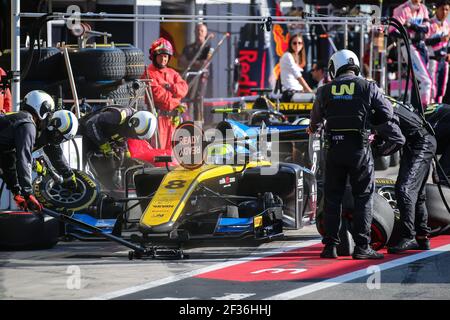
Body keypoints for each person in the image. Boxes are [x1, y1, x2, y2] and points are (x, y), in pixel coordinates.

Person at [309, 49, 405, 260]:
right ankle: (362, 246)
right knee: (363, 197)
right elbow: (387, 113)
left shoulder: (324, 90)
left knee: (333, 198)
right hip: (359, 150)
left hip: (333, 150)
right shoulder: (368, 86)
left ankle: (330, 247)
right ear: (355, 66)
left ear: (335, 67)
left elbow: (314, 121)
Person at [374, 98, 436, 253]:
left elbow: (397, 140)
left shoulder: (376, 107)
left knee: (404, 190)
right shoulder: (379, 99)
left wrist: (377, 152)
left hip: (421, 143)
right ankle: (422, 237)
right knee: (417, 194)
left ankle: (408, 237)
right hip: (418, 141)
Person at [0, 90, 78, 212]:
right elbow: (23, 159)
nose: (48, 118)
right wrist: (28, 193)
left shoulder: (22, 121)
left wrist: (16, 191)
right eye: (48, 114)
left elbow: (8, 157)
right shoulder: (28, 125)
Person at [78, 105, 157, 191]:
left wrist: (125, 153)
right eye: (133, 135)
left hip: (103, 139)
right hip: (83, 134)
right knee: (82, 168)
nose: (133, 137)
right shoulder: (118, 115)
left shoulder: (133, 123)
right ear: (132, 123)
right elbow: (90, 124)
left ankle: (115, 190)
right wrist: (104, 145)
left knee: (122, 160)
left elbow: (122, 135)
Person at [142, 38, 188, 150]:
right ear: (154, 56)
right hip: (158, 120)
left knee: (175, 153)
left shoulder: (172, 73)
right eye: (161, 55)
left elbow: (184, 88)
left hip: (174, 120)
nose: (164, 59)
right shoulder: (148, 73)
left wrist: (171, 87)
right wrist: (176, 100)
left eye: (166, 56)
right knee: (159, 153)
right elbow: (158, 96)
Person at [391, 0, 432, 107]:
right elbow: (393, 30)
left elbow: (427, 29)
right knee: (426, 81)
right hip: (409, 47)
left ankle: (416, 110)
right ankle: (426, 109)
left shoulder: (423, 8)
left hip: (422, 47)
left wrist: (410, 25)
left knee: (418, 82)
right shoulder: (401, 9)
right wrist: (414, 32)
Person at [179, 23, 212, 123]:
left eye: (202, 31)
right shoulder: (188, 48)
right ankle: (186, 122)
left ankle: (199, 124)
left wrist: (190, 63)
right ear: (194, 32)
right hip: (189, 77)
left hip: (201, 77)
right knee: (185, 98)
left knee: (198, 100)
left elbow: (205, 63)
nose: (199, 33)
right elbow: (181, 62)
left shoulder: (208, 48)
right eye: (197, 30)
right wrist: (195, 63)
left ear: (205, 33)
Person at [426, 0, 450, 104]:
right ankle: (430, 113)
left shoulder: (447, 25)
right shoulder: (430, 23)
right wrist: (440, 39)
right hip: (432, 61)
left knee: (442, 90)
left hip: (444, 62)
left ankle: (438, 110)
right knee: (432, 90)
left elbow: (447, 43)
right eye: (442, 9)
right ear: (437, 10)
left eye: (447, 10)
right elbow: (425, 41)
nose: (444, 12)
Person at [280, 33, 313, 102]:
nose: (297, 45)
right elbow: (298, 76)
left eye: (299, 43)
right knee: (313, 99)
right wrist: (310, 91)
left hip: (298, 92)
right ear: (290, 44)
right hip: (290, 93)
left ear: (302, 45)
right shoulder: (287, 56)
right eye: (294, 43)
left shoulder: (297, 58)